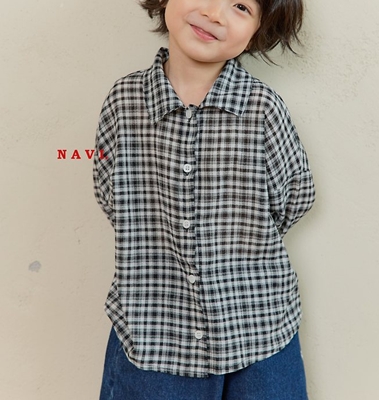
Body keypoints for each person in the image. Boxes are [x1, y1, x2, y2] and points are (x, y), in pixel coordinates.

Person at [93, 0, 316, 398]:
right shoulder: (123, 101)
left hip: (256, 329)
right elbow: (109, 189)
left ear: (259, 29)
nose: (214, 13)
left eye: (241, 6)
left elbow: (294, 196)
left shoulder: (263, 109)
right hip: (153, 330)